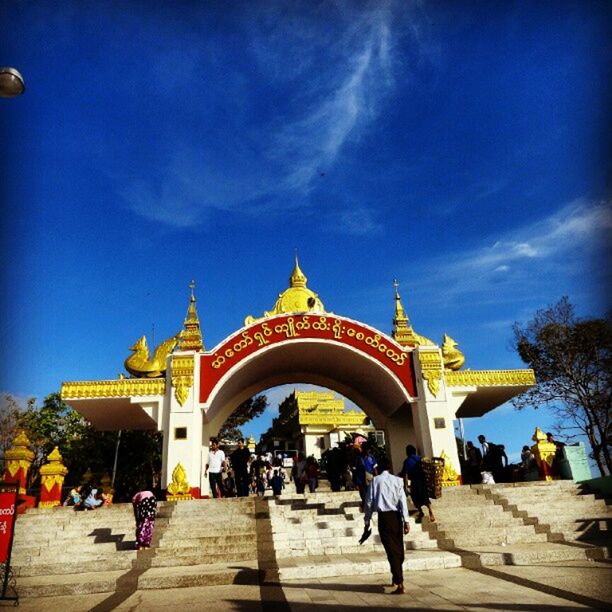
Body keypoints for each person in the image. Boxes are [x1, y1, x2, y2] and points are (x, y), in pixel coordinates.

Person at [364, 456, 410, 595]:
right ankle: (396, 576)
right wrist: (406, 520)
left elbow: (369, 501)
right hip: (397, 517)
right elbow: (403, 501)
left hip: (384, 518)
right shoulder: (397, 480)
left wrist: (367, 519)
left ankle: (399, 582)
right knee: (398, 548)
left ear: (377, 468)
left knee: (391, 550)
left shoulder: (375, 481)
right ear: (389, 468)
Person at [401, 445, 435, 523]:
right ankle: (430, 511)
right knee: (425, 497)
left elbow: (405, 474)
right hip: (423, 481)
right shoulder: (420, 459)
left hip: (415, 482)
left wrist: (405, 486)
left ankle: (421, 511)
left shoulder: (407, 461)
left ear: (407, 452)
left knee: (415, 497)